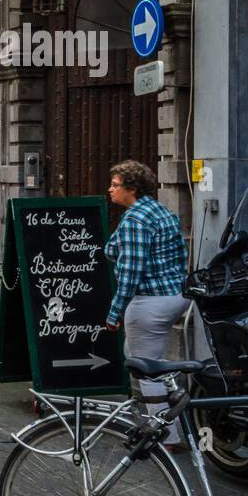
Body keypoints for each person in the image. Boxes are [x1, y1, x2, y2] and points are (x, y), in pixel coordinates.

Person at [105, 160, 190, 443]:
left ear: (132, 188)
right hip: (174, 296)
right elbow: (180, 254)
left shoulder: (135, 221)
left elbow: (131, 272)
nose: (110, 190)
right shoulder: (161, 211)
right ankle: (167, 411)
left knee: (145, 368)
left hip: (149, 301)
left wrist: (115, 312)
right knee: (148, 361)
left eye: (116, 185)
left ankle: (166, 437)